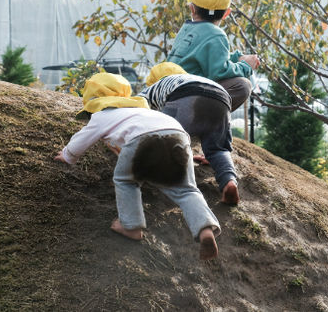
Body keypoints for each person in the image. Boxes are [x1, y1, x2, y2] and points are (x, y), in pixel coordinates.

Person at [54, 72, 221, 260]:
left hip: (142, 139)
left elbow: (82, 139)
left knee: (126, 180)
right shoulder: (144, 111)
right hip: (178, 135)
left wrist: (68, 156)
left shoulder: (101, 115)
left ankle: (131, 226)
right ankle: (205, 228)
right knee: (186, 190)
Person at [138, 62, 240, 205]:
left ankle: (176, 182)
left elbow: (135, 106)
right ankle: (229, 182)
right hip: (221, 98)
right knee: (218, 149)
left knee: (167, 140)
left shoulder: (155, 87)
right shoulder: (189, 78)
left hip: (185, 96)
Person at [166, 0, 260, 112]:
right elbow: (219, 73)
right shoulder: (216, 34)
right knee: (242, 85)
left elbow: (205, 55)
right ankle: (205, 120)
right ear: (227, 13)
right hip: (187, 98)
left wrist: (236, 58)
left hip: (171, 92)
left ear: (192, 8)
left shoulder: (186, 29)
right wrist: (245, 66)